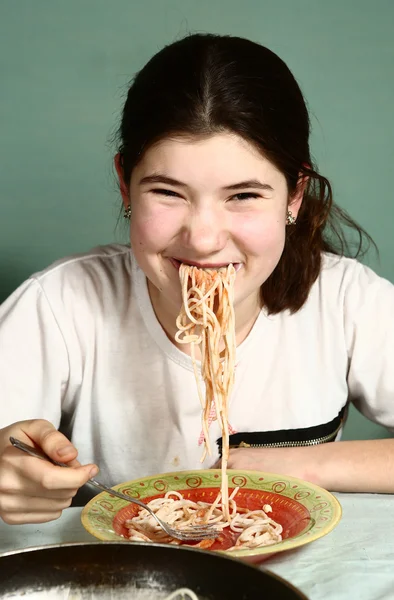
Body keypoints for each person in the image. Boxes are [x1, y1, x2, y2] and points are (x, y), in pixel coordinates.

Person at [0, 33, 393, 527]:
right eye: (168, 192)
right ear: (125, 182)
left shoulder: (344, 300)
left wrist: (285, 467)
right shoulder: (59, 306)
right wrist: (11, 475)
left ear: (294, 195)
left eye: (244, 196)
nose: (204, 239)